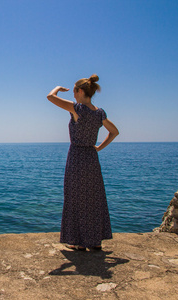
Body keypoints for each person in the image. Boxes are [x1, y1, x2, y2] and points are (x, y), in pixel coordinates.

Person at [47, 74, 119, 251]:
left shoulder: (77, 109)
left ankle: (77, 241)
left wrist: (57, 88)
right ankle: (94, 241)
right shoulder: (99, 112)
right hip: (92, 159)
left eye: (73, 91)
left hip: (77, 157)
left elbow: (50, 97)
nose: (72, 94)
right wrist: (98, 148)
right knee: (93, 199)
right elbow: (114, 131)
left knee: (75, 198)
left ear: (80, 91)